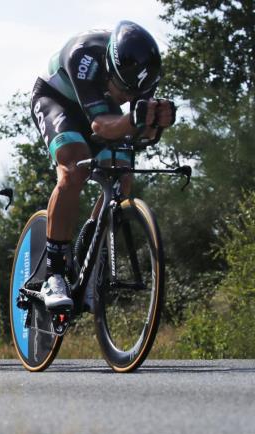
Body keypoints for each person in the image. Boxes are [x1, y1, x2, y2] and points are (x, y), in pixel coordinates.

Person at [31, 20, 175, 310]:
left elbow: (141, 132)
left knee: (123, 174)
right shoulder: (83, 55)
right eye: (124, 88)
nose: (129, 98)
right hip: (57, 99)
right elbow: (99, 125)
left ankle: (89, 248)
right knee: (74, 168)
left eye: (134, 93)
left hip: (101, 101)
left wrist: (156, 123)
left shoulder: (145, 73)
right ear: (109, 67)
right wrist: (134, 119)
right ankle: (54, 273)